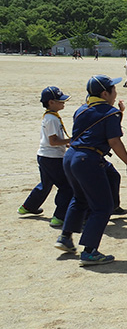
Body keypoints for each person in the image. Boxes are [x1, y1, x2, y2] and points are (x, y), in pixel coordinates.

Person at [54, 75, 127, 266]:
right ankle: (89, 251)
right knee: (103, 206)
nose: (116, 93)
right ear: (105, 94)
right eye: (113, 90)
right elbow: (114, 141)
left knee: (80, 198)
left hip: (71, 157)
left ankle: (65, 237)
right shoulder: (111, 113)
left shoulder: (81, 110)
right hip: (88, 160)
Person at [18, 86, 73, 228]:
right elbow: (53, 141)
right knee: (66, 187)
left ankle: (28, 206)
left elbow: (54, 139)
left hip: (44, 156)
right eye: (60, 101)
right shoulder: (52, 119)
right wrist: (70, 140)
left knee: (45, 184)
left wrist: (66, 144)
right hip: (52, 158)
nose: (63, 103)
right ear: (51, 102)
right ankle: (59, 217)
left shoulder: (51, 116)